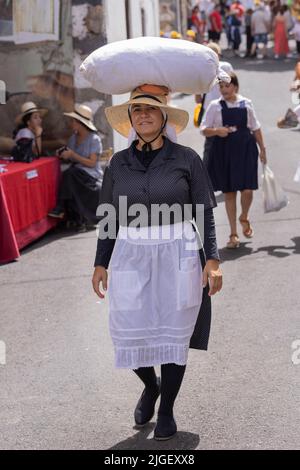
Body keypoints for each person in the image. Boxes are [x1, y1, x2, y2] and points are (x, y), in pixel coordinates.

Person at [92, 84, 222, 440]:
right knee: (128, 329)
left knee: (174, 330)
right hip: (131, 253)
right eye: (136, 110)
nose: (143, 115)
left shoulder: (186, 159)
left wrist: (212, 259)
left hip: (178, 251)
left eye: (150, 109)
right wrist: (100, 262)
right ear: (131, 120)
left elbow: (204, 213)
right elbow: (109, 217)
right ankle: (152, 386)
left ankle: (166, 409)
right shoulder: (118, 163)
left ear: (164, 116)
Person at [201, 72, 267, 249]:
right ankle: (233, 233)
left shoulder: (246, 103)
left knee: (247, 190)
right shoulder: (215, 106)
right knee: (229, 192)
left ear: (235, 87)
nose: (224, 90)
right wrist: (217, 131)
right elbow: (204, 129)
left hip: (246, 149)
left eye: (227, 86)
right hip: (225, 150)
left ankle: (244, 216)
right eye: (221, 87)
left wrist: (263, 149)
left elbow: (256, 127)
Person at [48, 104, 103, 231]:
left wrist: (73, 154)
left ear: (80, 123)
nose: (71, 123)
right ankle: (78, 218)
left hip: (90, 175)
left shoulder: (94, 139)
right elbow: (72, 157)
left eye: (73, 121)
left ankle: (61, 207)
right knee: (71, 176)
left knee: (70, 174)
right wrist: (64, 154)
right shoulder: (73, 138)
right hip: (77, 175)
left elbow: (91, 163)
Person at [195, 43, 233, 167]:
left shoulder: (200, 69)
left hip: (209, 111)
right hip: (226, 109)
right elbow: (234, 86)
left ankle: (206, 175)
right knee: (228, 140)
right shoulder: (226, 66)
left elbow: (198, 99)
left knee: (210, 144)